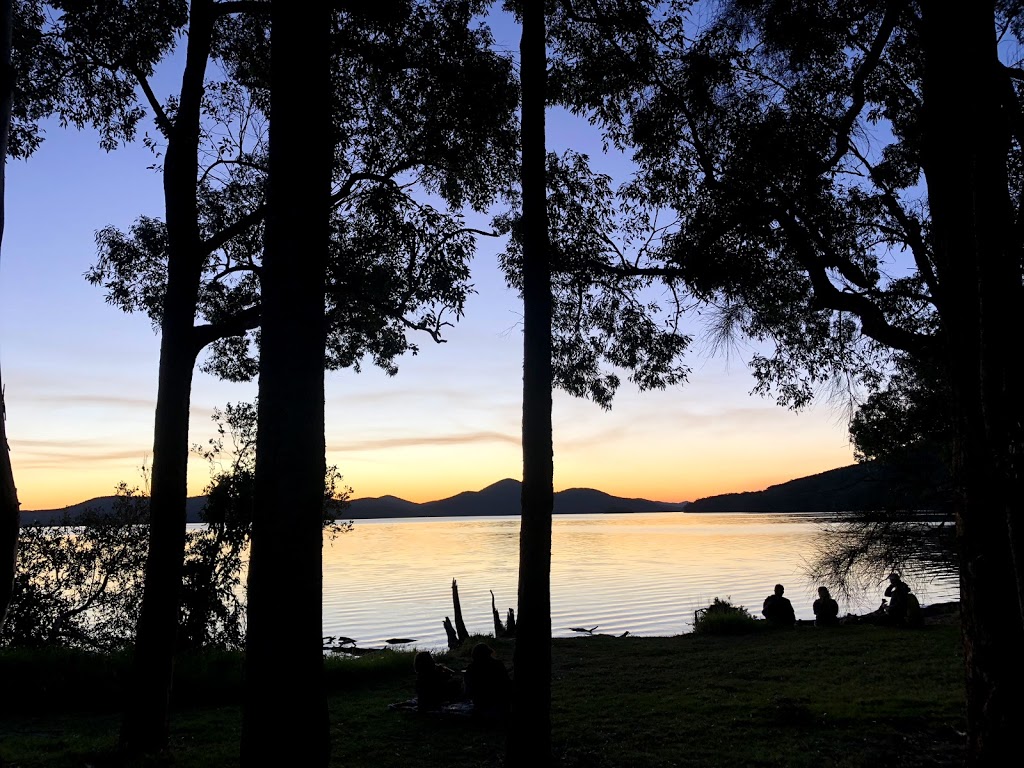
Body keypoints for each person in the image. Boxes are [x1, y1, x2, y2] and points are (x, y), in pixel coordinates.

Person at [463, 642, 511, 718]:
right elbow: (507, 683)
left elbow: (468, 691)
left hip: (482, 703)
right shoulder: (499, 664)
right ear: (489, 653)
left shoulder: (471, 668)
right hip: (501, 701)